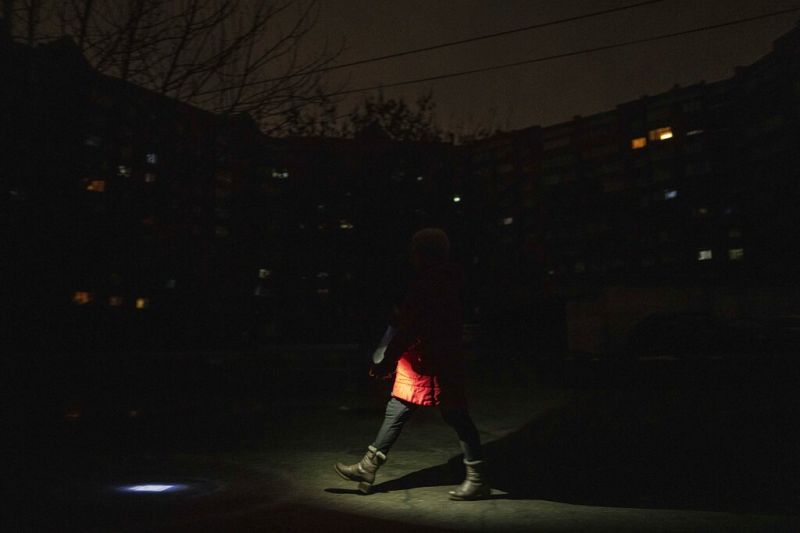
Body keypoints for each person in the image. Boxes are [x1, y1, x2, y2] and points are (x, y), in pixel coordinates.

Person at [334, 228, 490, 500]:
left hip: (431, 360)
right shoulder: (448, 280)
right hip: (433, 359)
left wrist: (387, 361)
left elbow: (410, 327)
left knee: (455, 415)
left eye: (415, 251)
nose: (411, 255)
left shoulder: (427, 283)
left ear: (423, 254)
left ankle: (477, 478)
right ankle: (368, 467)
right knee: (400, 407)